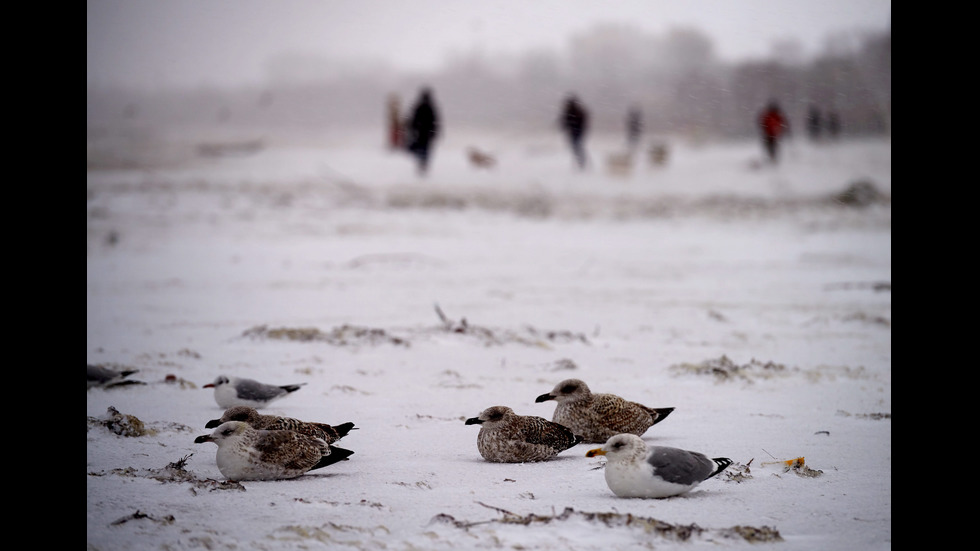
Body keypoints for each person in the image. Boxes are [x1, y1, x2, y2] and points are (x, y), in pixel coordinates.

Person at [406, 87, 440, 175]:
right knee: (425, 150)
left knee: (420, 149)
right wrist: (434, 132)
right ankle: (423, 164)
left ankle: (421, 164)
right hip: (427, 134)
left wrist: (412, 130)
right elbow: (435, 122)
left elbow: (413, 120)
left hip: (420, 133)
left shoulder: (419, 107)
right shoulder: (431, 107)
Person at [560, 94, 589, 169]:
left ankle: (581, 162)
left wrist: (567, 126)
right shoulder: (575, 111)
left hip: (577, 132)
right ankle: (580, 162)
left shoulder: (575, 111)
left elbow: (566, 121)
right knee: (576, 147)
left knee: (577, 147)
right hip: (576, 131)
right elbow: (565, 121)